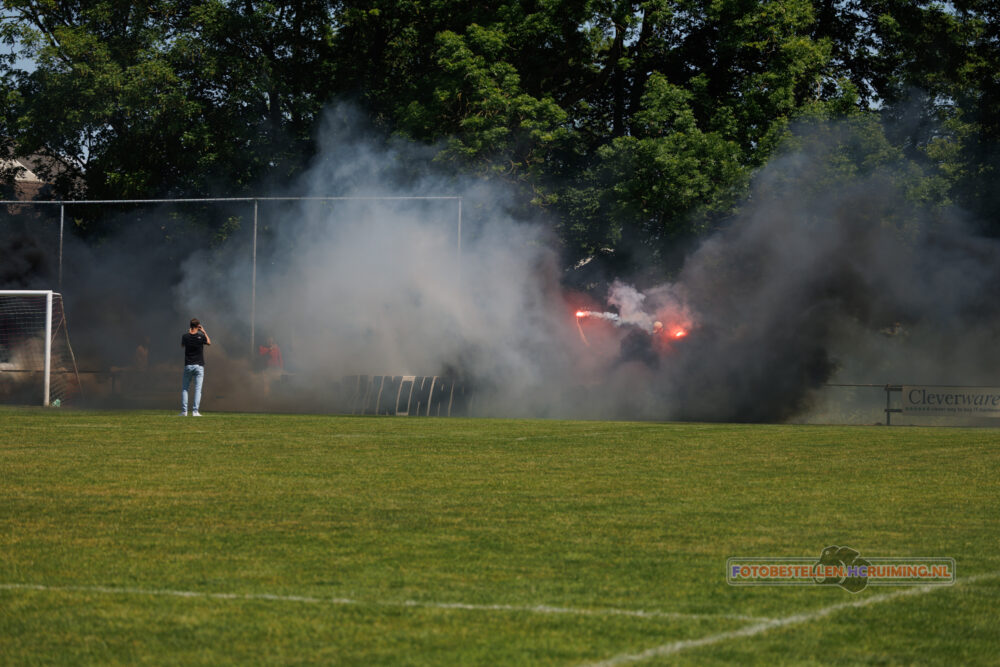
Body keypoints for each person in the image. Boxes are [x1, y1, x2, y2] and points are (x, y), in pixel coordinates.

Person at [180, 318, 211, 416]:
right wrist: (204, 331)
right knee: (198, 390)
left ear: (190, 326)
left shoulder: (185, 336)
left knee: (185, 389)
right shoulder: (201, 337)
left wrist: (189, 333)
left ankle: (184, 411)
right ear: (198, 326)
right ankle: (195, 411)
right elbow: (209, 342)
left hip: (188, 365)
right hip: (199, 366)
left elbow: (182, 346)